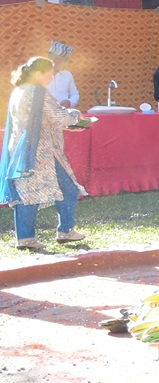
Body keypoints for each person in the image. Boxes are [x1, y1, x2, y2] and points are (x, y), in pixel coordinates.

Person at [1, 56, 86, 249]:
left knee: (32, 191)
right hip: (40, 151)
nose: (50, 78)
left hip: (22, 149)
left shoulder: (18, 90)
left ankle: (44, 234)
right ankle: (42, 235)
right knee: (36, 192)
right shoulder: (37, 92)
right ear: (38, 73)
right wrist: (77, 116)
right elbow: (58, 115)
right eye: (48, 74)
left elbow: (41, 118)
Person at [47, 42, 78, 108]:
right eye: (62, 60)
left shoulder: (67, 75)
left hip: (63, 113)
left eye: (65, 60)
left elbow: (75, 94)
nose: (64, 63)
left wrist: (69, 102)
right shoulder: (40, 74)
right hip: (44, 114)